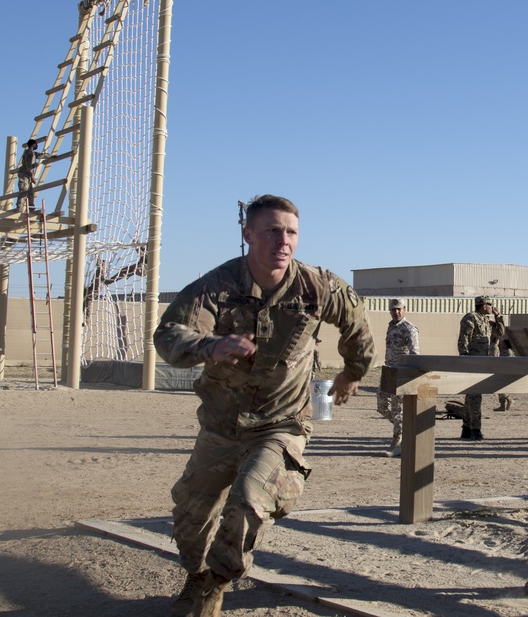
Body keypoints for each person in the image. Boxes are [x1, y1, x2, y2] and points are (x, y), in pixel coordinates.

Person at [153, 194, 375, 617]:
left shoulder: (317, 286)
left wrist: (352, 373)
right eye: (273, 231)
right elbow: (167, 336)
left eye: (291, 232)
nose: (284, 240)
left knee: (251, 499)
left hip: (281, 422)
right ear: (248, 235)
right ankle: (196, 576)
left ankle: (216, 585)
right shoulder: (215, 287)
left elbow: (357, 324)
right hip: (220, 424)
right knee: (191, 515)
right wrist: (211, 345)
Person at [457, 295, 505, 440]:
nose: (492, 307)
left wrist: (499, 317)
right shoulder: (471, 318)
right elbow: (463, 338)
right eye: (490, 305)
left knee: (471, 396)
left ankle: (466, 428)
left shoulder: (485, 320)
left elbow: (500, 332)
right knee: (475, 396)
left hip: (482, 361)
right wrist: (464, 357)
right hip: (473, 361)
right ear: (484, 305)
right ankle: (475, 429)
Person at [378, 298, 420, 458]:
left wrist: (411, 376)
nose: (396, 312)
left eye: (399, 309)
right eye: (393, 309)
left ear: (404, 309)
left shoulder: (408, 328)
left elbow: (415, 353)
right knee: (382, 405)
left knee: (397, 410)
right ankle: (405, 427)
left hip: (401, 374)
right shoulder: (391, 326)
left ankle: (398, 442)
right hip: (388, 371)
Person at [17, 139, 40, 211]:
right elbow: (28, 166)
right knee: (24, 189)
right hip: (24, 174)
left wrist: (51, 156)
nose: (36, 145)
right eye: (35, 144)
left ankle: (31, 206)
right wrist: (32, 177)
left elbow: (40, 155)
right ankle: (20, 206)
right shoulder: (29, 153)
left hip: (27, 174)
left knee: (30, 191)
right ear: (33, 144)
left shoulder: (32, 153)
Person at [493, 338, 515, 411]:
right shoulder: (507, 352)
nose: (501, 345)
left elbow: (508, 363)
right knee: (501, 390)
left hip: (505, 373)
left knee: (501, 389)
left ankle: (506, 403)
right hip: (503, 373)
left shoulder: (507, 353)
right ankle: (506, 402)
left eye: (503, 343)